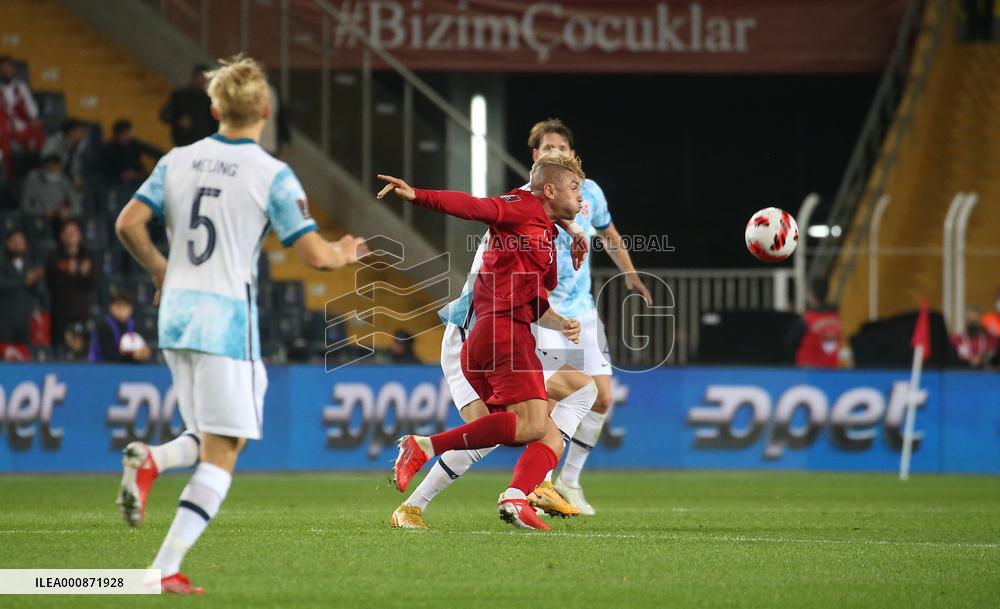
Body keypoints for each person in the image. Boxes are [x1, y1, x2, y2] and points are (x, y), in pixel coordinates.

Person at [113, 55, 365, 594]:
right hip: (225, 320)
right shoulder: (270, 173)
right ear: (266, 111)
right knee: (224, 450)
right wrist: (344, 253)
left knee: (215, 436)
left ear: (214, 109)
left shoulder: (177, 160)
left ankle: (153, 460)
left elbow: (128, 222)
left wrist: (160, 268)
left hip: (175, 315)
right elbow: (315, 255)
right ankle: (164, 568)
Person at [381, 149, 585, 531]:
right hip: (490, 331)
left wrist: (561, 323)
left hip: (507, 332)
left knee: (545, 432)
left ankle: (517, 496)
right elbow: (473, 206)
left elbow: (534, 299)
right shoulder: (519, 207)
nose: (580, 196)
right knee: (522, 425)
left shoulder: (548, 234)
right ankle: (426, 451)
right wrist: (418, 195)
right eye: (574, 187)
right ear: (549, 188)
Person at [526, 119, 651, 516]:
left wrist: (630, 274)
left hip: (582, 310)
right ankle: (537, 485)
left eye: (562, 148)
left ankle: (570, 480)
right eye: (548, 148)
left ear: (573, 155)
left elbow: (609, 233)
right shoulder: (527, 198)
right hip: (546, 313)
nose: (555, 153)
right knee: (546, 402)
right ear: (536, 155)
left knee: (603, 397)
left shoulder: (590, 192)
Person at [44, 219, 98, 348]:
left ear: (80, 235)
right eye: (67, 233)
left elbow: (93, 282)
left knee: (82, 350)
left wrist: (76, 271)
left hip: (82, 313)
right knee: (60, 349)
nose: (71, 236)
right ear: (61, 236)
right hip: (60, 313)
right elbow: (51, 282)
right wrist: (74, 270)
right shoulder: (54, 256)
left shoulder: (88, 255)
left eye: (74, 233)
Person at [0, 55, 46, 169]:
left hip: (22, 126)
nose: (6, 70)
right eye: (3, 67)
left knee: (36, 143)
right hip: (4, 128)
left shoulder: (21, 86)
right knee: (15, 150)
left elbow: (30, 106)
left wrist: (33, 118)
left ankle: (34, 173)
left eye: (9, 67)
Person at [0, 228, 44, 345]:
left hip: (26, 323)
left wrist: (37, 280)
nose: (18, 244)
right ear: (7, 244)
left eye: (21, 241)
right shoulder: (2, 264)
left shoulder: (32, 265)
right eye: (14, 241)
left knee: (26, 353)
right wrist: (24, 280)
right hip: (4, 323)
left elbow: (41, 292)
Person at [160, 64, 218, 147]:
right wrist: (178, 120)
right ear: (194, 78)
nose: (202, 82)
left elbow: (216, 123)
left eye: (205, 79)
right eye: (200, 78)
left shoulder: (211, 100)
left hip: (204, 145)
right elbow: (165, 114)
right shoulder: (180, 94)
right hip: (182, 143)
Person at [89, 292, 151, 363]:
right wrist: (133, 356)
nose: (123, 309)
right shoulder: (103, 326)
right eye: (119, 305)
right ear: (111, 307)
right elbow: (110, 355)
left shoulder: (134, 324)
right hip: (101, 366)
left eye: (126, 305)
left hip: (128, 365)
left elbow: (140, 346)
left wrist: (144, 353)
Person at [794, 281, 842, 369]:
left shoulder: (807, 319)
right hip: (831, 369)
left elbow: (791, 344)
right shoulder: (836, 318)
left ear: (812, 295)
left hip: (808, 370)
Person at [102, 119, 163, 186]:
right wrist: (121, 176)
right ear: (117, 135)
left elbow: (156, 152)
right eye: (124, 134)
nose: (127, 136)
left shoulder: (134, 144)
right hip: (117, 183)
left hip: (138, 179)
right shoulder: (109, 149)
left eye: (128, 133)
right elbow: (105, 171)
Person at [20, 154, 82, 220]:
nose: (54, 172)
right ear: (44, 167)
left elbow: (77, 207)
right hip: (37, 218)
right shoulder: (33, 179)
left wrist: (68, 211)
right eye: (51, 169)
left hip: (59, 218)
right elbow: (25, 205)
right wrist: (41, 211)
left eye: (57, 169)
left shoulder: (64, 180)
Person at [41, 119, 93, 189]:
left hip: (64, 178)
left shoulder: (76, 146)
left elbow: (75, 166)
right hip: (49, 175)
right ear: (71, 131)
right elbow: (46, 160)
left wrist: (76, 176)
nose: (82, 135)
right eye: (80, 132)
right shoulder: (54, 141)